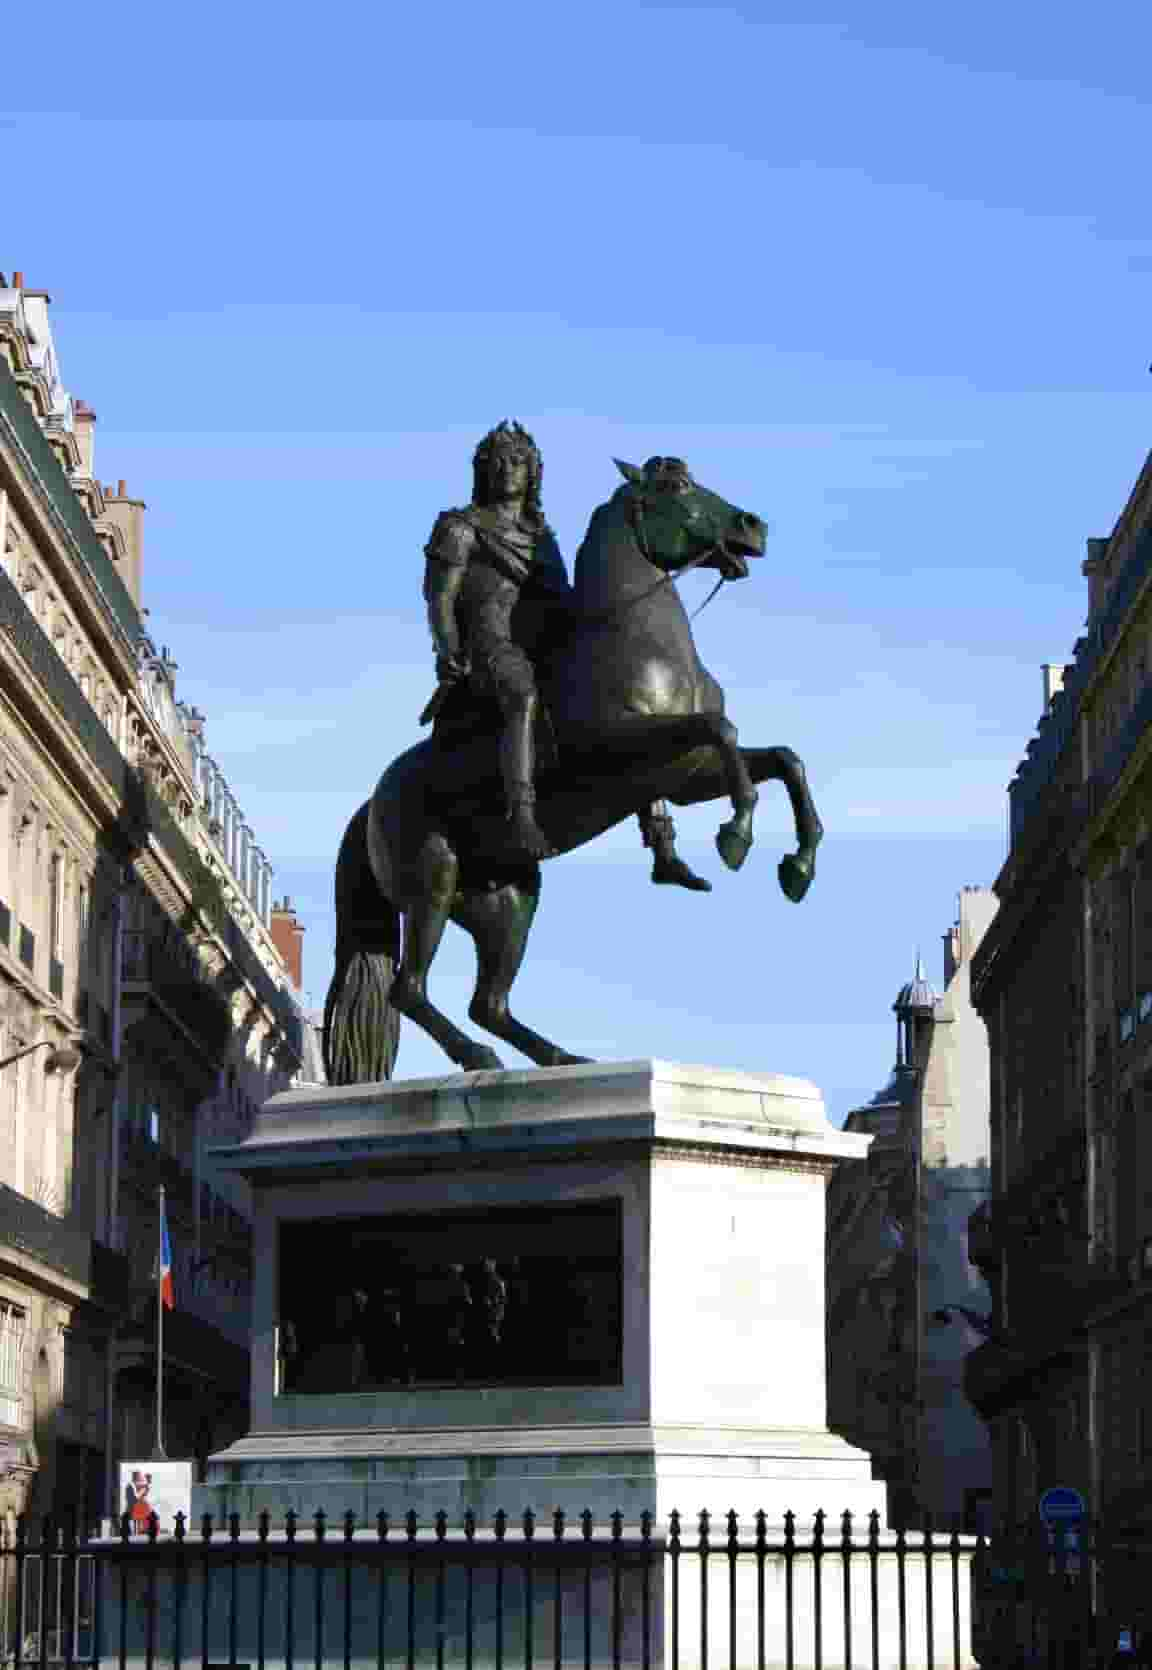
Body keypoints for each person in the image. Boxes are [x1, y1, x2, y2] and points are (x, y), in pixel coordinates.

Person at [422, 422, 710, 886]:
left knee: (624, 704)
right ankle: (522, 818)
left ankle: (662, 845)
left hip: (548, 639)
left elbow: (561, 594)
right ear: (482, 470)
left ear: (533, 472)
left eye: (517, 460)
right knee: (522, 696)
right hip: (493, 643)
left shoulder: (542, 536)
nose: (506, 469)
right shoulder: (460, 527)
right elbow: (438, 597)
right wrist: (449, 650)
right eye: (496, 460)